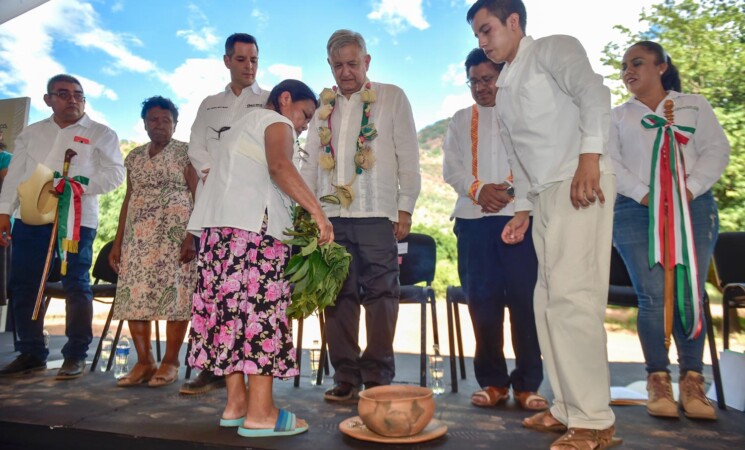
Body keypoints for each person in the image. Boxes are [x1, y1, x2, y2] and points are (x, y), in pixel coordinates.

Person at [467, 1, 621, 449]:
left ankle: (594, 421)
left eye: (487, 29)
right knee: (548, 303)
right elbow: (520, 154)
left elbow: (595, 94)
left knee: (574, 301)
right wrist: (521, 209)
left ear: (513, 22)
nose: (482, 41)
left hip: (580, 180)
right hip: (544, 195)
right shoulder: (508, 82)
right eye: (477, 34)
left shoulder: (553, 49)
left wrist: (589, 157)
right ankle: (568, 408)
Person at [186, 79, 332, 437]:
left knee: (230, 315)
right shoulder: (274, 122)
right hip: (252, 233)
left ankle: (237, 404)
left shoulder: (239, 129)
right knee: (259, 313)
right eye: (304, 114)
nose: (303, 125)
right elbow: (280, 168)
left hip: (219, 235)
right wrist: (318, 213)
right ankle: (262, 412)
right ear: (285, 99)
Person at [609, 41, 729, 421]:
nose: (628, 70)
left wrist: (686, 191)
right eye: (625, 65)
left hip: (694, 206)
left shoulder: (694, 105)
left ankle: (693, 381)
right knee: (651, 293)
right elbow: (610, 162)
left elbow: (716, 150)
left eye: (638, 62)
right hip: (634, 210)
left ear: (661, 67)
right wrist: (647, 196)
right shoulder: (617, 117)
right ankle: (657, 380)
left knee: (690, 288)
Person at [300, 29, 421, 402]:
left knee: (382, 294)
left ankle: (378, 377)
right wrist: (309, 212)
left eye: (353, 63)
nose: (346, 72)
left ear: (367, 61)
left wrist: (405, 207)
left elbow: (409, 156)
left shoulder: (392, 97)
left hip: (378, 214)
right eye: (338, 65)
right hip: (331, 217)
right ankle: (346, 376)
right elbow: (309, 166)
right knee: (336, 295)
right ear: (329, 66)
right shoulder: (323, 107)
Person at [0, 74, 124, 380]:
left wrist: (77, 186)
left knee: (76, 283)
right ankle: (30, 351)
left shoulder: (101, 133)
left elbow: (116, 175)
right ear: (48, 99)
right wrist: (4, 212)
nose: (72, 99)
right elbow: (15, 176)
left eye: (78, 95)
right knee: (22, 282)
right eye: (64, 93)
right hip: (30, 220)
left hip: (77, 222)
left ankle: (75, 354)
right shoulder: (31, 134)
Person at [443, 48, 545, 410]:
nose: (481, 87)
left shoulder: (527, 114)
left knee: (526, 303)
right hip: (473, 222)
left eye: (488, 79)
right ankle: (493, 382)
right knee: (482, 303)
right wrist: (479, 190)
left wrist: (509, 193)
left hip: (520, 218)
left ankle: (528, 384)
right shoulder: (459, 119)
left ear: (503, 77)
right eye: (474, 81)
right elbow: (451, 169)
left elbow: (537, 161)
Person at [182, 32, 270, 395]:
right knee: (214, 292)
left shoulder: (268, 100)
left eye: (254, 60)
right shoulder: (210, 103)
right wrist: (213, 173)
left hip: (251, 211)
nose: (248, 66)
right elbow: (196, 147)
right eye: (241, 60)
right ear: (226, 61)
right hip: (214, 206)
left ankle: (252, 373)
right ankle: (214, 369)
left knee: (250, 297)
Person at [108, 96, 199, 387]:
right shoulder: (134, 157)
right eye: (153, 119)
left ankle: (170, 362)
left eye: (166, 120)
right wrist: (117, 242)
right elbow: (128, 199)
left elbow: (198, 195)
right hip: (138, 238)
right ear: (145, 123)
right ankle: (145, 362)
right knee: (135, 296)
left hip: (175, 238)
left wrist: (191, 237)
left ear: (175, 124)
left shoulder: (186, 153)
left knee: (175, 296)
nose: (159, 125)